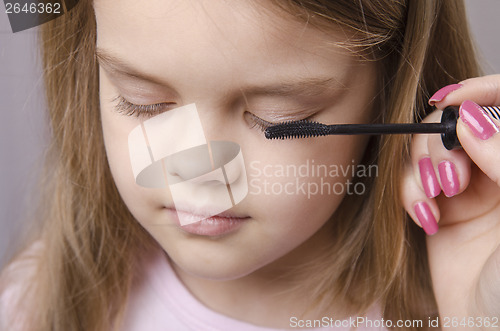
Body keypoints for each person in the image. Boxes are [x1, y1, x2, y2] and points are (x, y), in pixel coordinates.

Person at [0, 0, 498, 330]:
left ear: (388, 94)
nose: (196, 170)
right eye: (143, 102)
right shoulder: (37, 305)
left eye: (275, 118)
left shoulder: (455, 305)